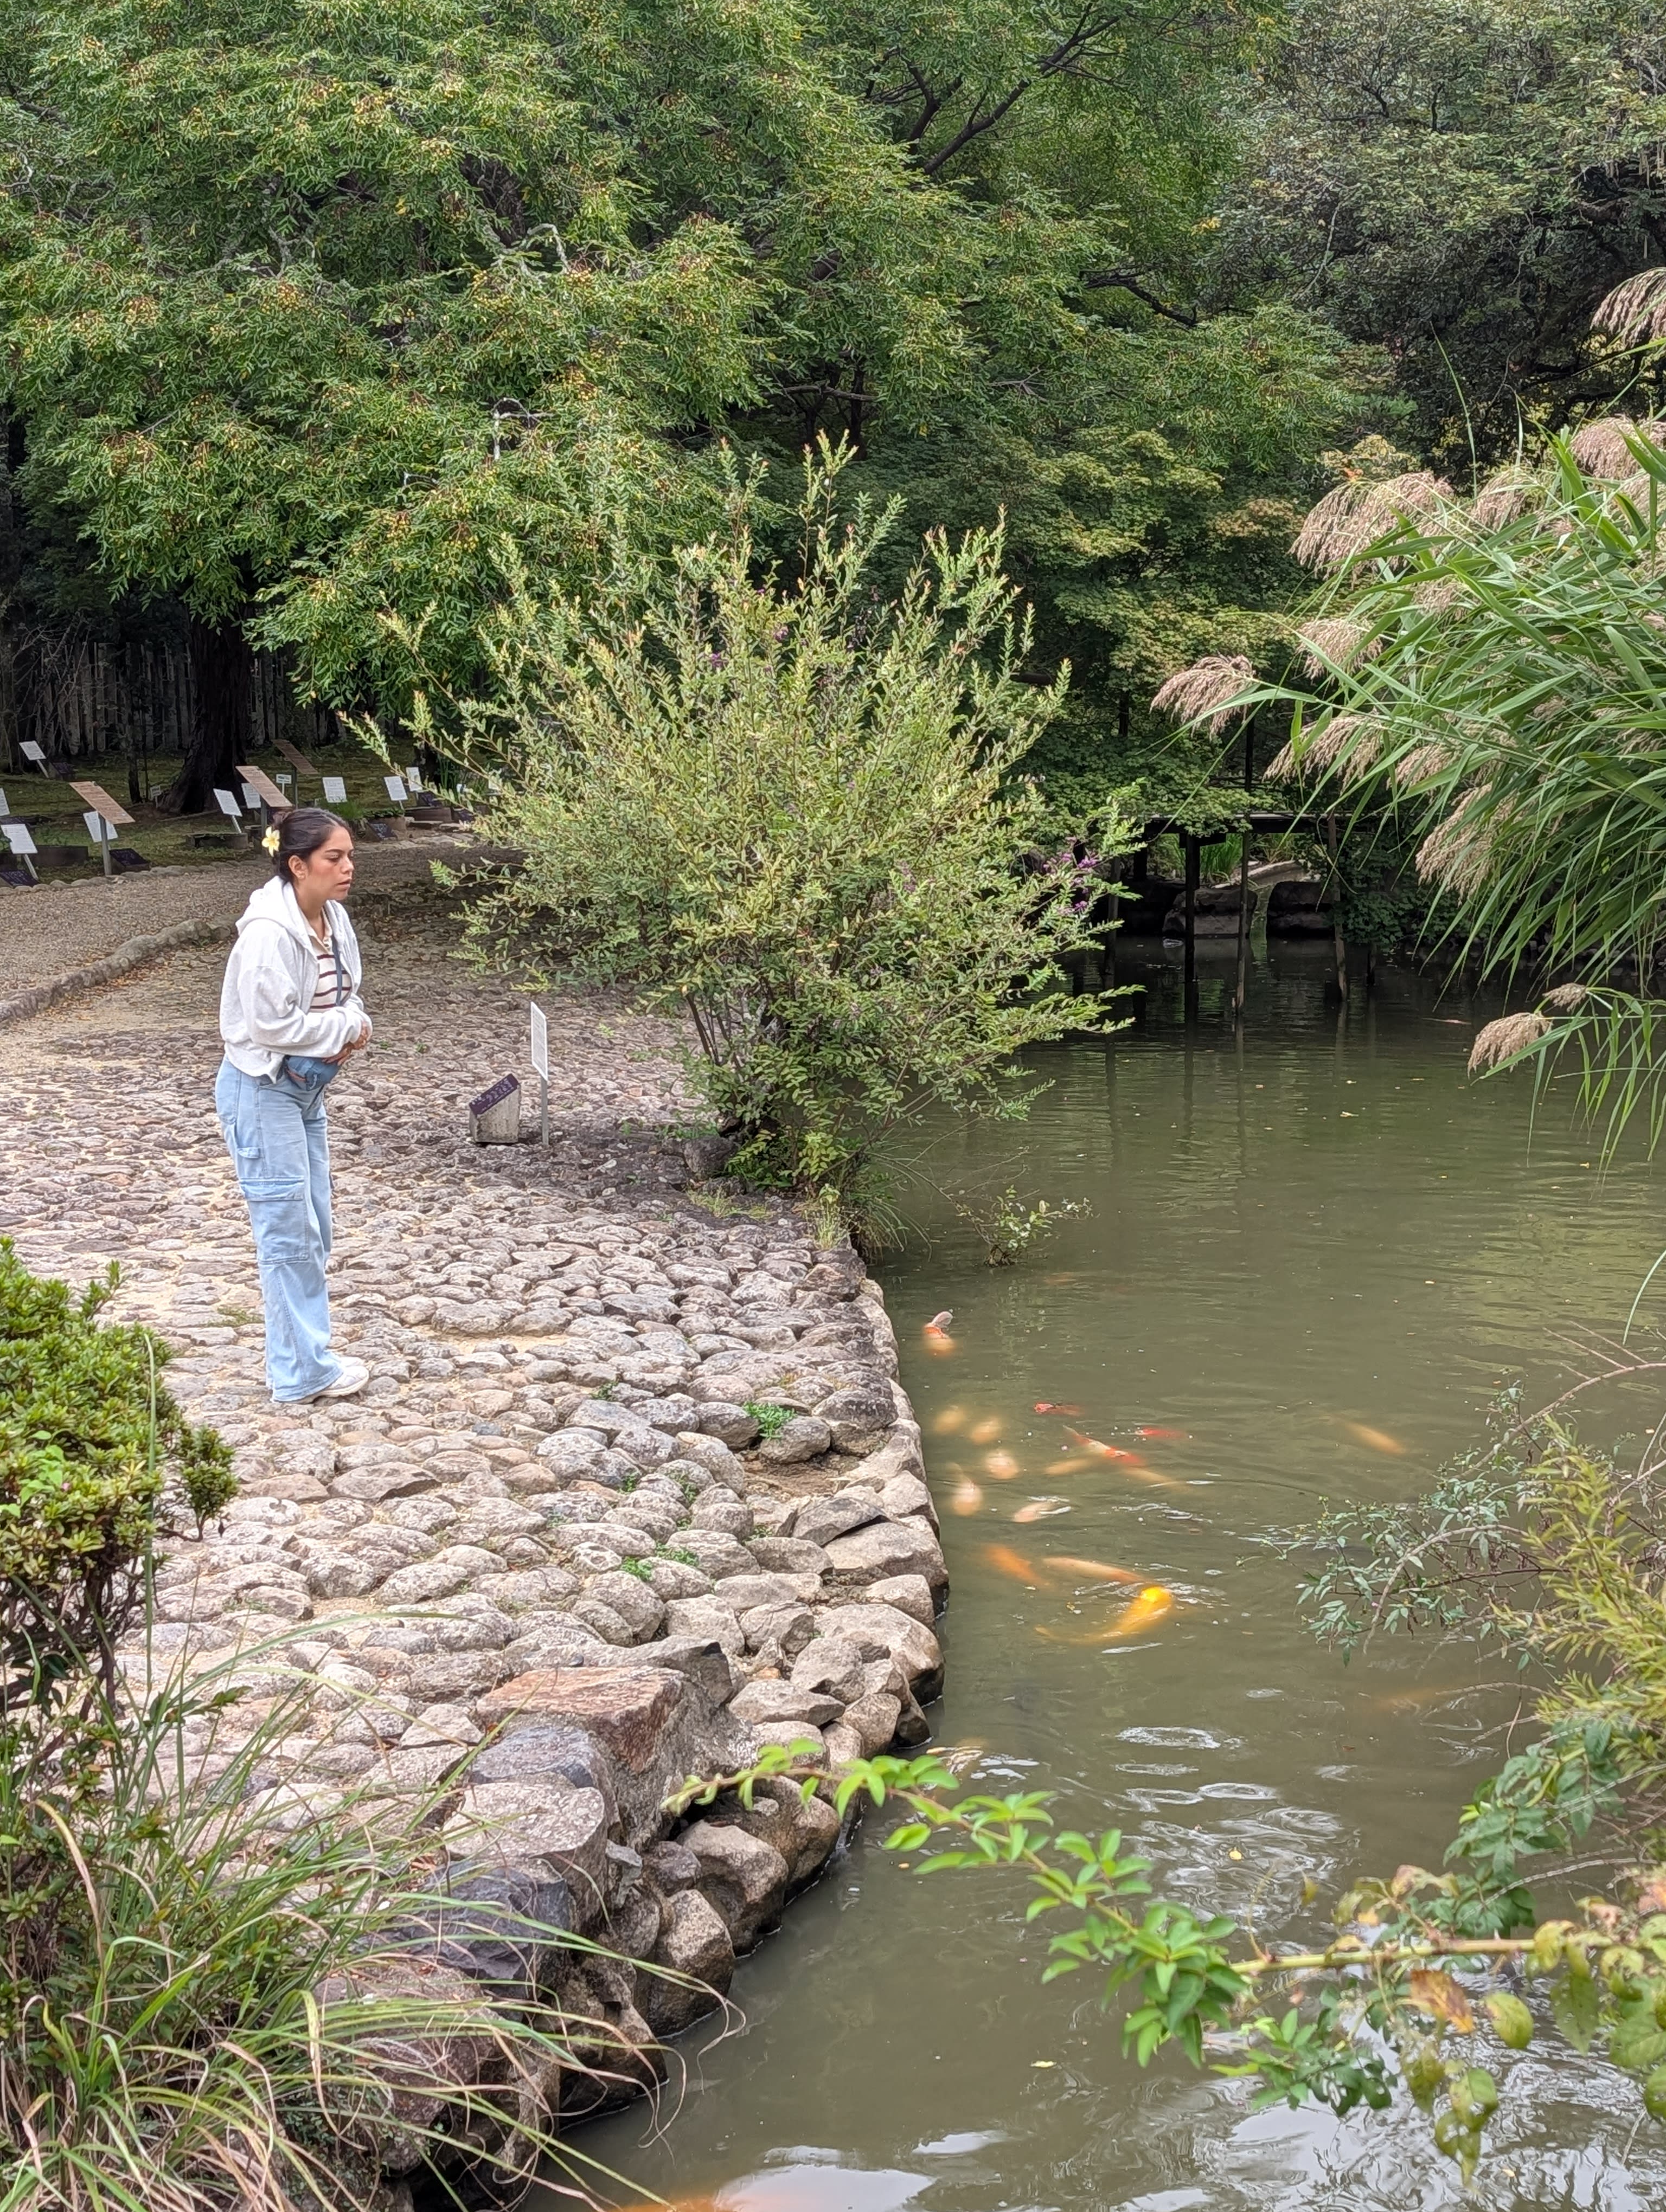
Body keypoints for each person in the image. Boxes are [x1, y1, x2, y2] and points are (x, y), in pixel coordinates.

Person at [215, 807, 373, 1404]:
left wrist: (352, 1024)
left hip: (306, 1091)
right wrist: (344, 1031)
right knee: (287, 1232)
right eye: (334, 858)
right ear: (297, 864)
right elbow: (270, 1025)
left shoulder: (334, 919)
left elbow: (351, 993)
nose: (348, 868)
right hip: (263, 1092)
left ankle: (308, 1355)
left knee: (316, 1225)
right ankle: (299, 1372)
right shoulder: (267, 935)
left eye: (350, 856)